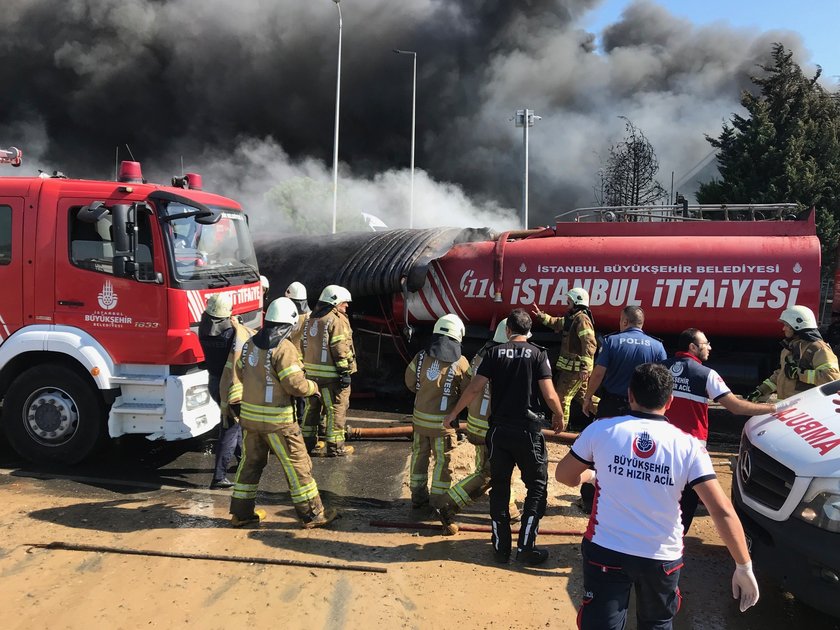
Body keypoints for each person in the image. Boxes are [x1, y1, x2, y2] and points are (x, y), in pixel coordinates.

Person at [555, 363, 760, 629]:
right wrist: (743, 565)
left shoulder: (601, 430)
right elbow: (720, 511)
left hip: (606, 550)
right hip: (661, 558)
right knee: (657, 623)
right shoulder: (689, 446)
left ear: (630, 395)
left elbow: (563, 475)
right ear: (670, 401)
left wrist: (590, 476)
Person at [443, 309, 564, 565]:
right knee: (536, 487)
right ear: (529, 331)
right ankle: (526, 548)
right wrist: (559, 415)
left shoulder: (493, 353)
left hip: (499, 432)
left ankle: (501, 549)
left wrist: (453, 413)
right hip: (528, 432)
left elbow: (475, 388)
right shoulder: (539, 353)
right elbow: (550, 394)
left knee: (500, 487)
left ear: (508, 330)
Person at [227, 297, 337, 529]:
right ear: (288, 324)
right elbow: (295, 385)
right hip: (279, 422)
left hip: (251, 420)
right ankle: (312, 514)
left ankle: (241, 514)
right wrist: (313, 388)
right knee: (297, 466)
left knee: (250, 465)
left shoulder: (249, 344)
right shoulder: (283, 348)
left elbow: (240, 370)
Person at [662, 328, 777, 533]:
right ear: (693, 347)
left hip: (660, 444)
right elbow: (735, 407)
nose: (710, 347)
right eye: (706, 343)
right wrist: (772, 409)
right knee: (686, 503)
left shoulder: (660, 368)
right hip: (691, 451)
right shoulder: (706, 374)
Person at [437, 319, 520, 535]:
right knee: (488, 472)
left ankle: (509, 509)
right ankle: (448, 504)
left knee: (500, 467)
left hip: (478, 422)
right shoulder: (502, 358)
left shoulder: (484, 352)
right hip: (490, 427)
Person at [404, 314, 470, 516]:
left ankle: (418, 498)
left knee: (419, 458)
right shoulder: (461, 362)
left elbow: (409, 382)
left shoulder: (421, 356)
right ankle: (439, 502)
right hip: (444, 427)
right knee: (442, 462)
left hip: (419, 422)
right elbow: (469, 392)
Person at [301, 284, 356, 457]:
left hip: (311, 376)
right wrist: (344, 372)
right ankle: (336, 447)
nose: (346, 306)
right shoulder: (336, 319)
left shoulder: (312, 319)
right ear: (335, 303)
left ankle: (308, 444)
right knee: (336, 409)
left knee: (312, 409)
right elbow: (340, 348)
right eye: (344, 303)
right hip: (331, 377)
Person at [584, 305, 666, 420]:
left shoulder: (611, 341)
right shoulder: (657, 346)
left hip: (612, 404)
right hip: (642, 407)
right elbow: (663, 380)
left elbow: (598, 373)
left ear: (625, 322)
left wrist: (587, 397)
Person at [532, 287, 597, 430]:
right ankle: (609, 415)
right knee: (584, 397)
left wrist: (585, 368)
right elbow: (557, 323)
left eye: (569, 301)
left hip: (576, 369)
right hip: (572, 368)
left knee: (562, 397)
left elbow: (589, 343)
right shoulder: (572, 318)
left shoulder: (582, 319)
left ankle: (559, 428)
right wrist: (541, 316)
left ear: (576, 302)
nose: (567, 304)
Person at [198, 293, 244, 490]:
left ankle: (244, 459)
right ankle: (219, 477)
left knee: (236, 423)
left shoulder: (204, 328)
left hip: (214, 381)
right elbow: (244, 341)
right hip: (229, 385)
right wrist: (238, 325)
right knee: (229, 428)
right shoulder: (231, 333)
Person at [747, 305, 840, 402]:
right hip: (790, 406)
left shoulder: (818, 349)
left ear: (798, 325)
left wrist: (799, 374)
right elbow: (782, 373)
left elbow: (832, 378)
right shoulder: (789, 348)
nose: (783, 328)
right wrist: (761, 390)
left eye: (787, 325)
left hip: (806, 407)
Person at [285, 281, 311, 425]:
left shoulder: (288, 318)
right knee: (304, 394)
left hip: (291, 361)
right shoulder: (311, 316)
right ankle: (303, 421)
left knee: (292, 393)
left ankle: (297, 421)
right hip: (307, 361)